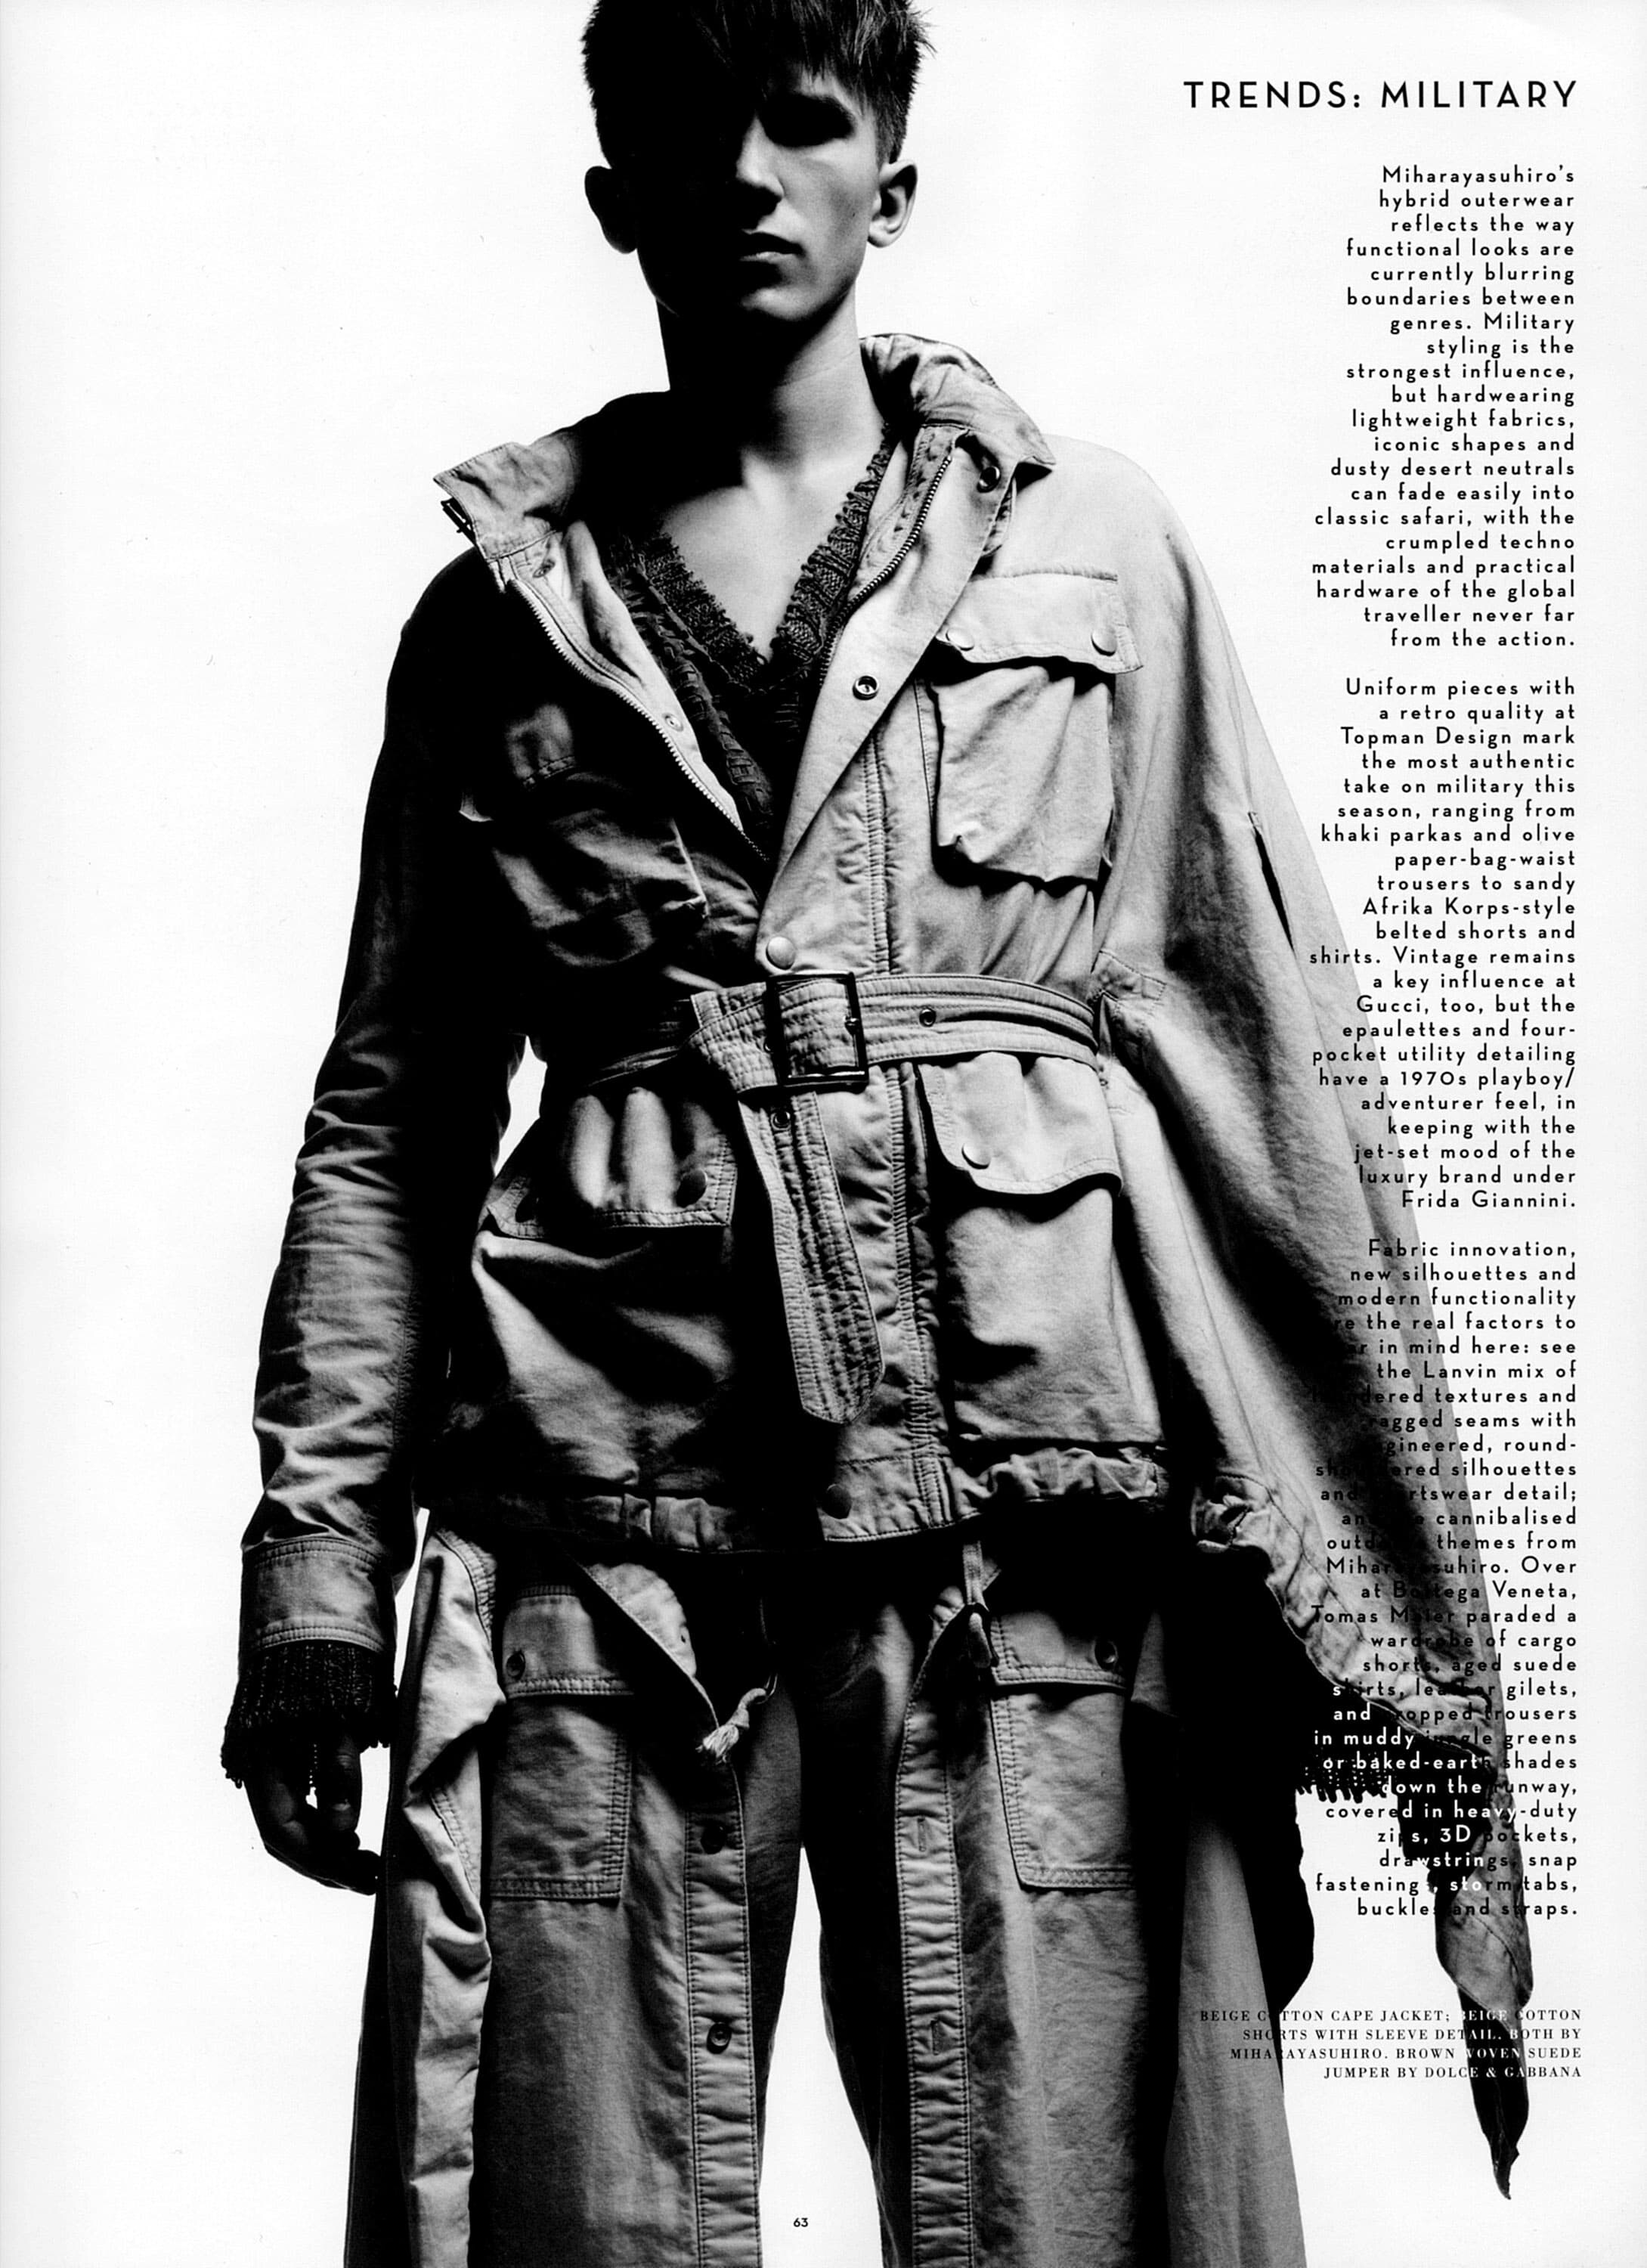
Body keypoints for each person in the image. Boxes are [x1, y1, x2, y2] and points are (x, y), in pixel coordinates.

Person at [222, 3, 1532, 2260]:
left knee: (1081, 2209)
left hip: (1033, 1501)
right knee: (563, 2204)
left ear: (890, 181)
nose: (748, 173)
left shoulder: (1095, 547)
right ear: (615, 197)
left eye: (803, 121)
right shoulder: (493, 622)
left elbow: (1263, 1040)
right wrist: (317, 1586)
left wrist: (1392, 1595)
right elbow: (391, 1122)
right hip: (606, 1497)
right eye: (688, 134)